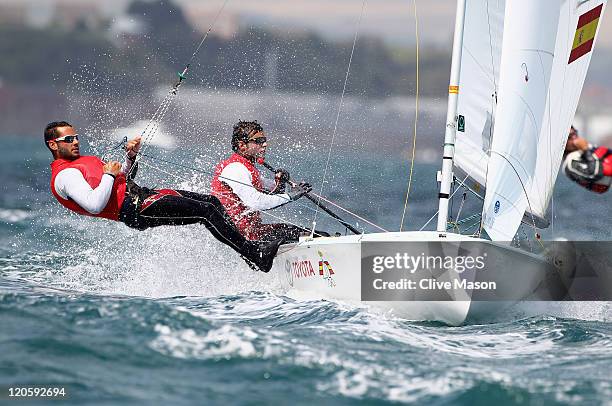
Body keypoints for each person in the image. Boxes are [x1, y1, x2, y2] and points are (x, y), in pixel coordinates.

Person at [45, 121, 282, 272]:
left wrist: (129, 157)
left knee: (212, 202)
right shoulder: (65, 176)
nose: (75, 141)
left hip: (143, 196)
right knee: (207, 213)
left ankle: (251, 248)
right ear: (53, 145)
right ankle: (255, 255)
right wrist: (108, 175)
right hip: (135, 209)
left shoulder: (84, 161)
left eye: (75, 137)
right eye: (68, 139)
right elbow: (95, 205)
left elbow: (121, 178)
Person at [211, 120, 321, 241]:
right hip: (241, 238)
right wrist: (290, 196)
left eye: (264, 140)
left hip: (253, 233)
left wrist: (281, 183)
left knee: (315, 235)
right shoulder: (235, 168)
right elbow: (256, 202)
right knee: (316, 237)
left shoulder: (247, 168)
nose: (264, 144)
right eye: (258, 141)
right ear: (242, 145)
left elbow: (272, 192)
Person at [563, 125, 612, 193]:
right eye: (570, 137)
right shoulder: (569, 164)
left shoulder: (587, 147)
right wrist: (585, 150)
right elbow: (595, 173)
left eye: (575, 133)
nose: (575, 138)